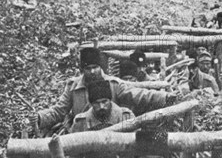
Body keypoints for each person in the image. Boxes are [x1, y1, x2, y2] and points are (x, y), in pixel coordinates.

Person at [31, 47, 174, 132]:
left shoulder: (113, 84)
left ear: (101, 67)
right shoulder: (73, 87)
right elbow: (59, 110)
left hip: (112, 130)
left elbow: (139, 95)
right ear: (82, 70)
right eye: (88, 68)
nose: (92, 72)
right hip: (80, 132)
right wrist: (40, 118)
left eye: (95, 67)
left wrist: (165, 97)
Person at [67, 80, 136, 158]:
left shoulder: (126, 117)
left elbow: (135, 151)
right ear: (90, 103)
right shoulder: (81, 123)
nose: (101, 106)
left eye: (105, 101)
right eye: (96, 103)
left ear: (111, 100)